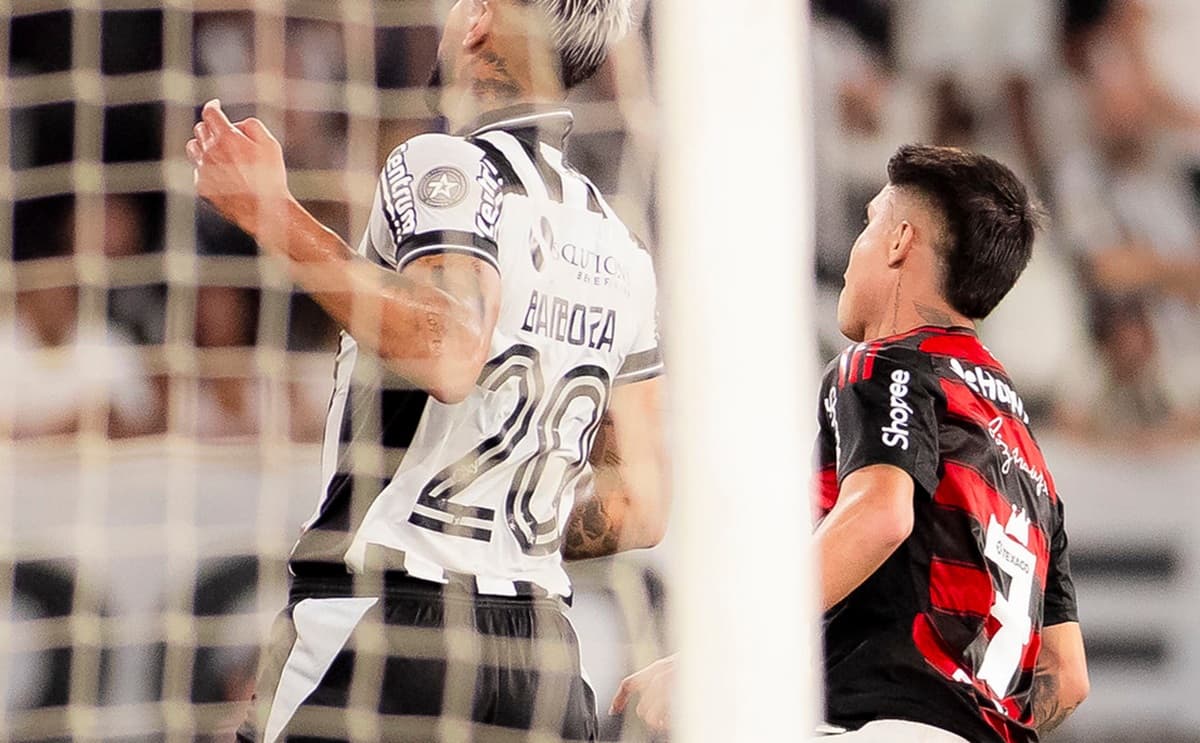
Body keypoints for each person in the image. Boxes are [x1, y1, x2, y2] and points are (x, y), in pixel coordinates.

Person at [186, 0, 668, 740]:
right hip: (541, 658)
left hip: (387, 630)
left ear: (478, 19)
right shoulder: (620, 247)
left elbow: (449, 349)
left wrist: (271, 212)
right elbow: (640, 505)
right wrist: (508, 526)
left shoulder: (442, 161)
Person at [614, 146, 1089, 743]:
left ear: (899, 242)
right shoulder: (1029, 457)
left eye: (869, 223)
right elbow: (1067, 677)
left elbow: (880, 515)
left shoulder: (889, 364)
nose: (853, 251)